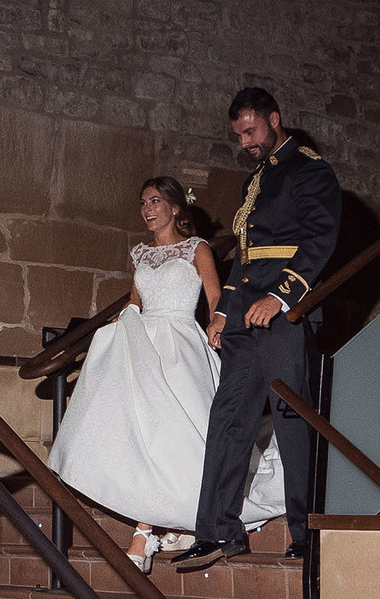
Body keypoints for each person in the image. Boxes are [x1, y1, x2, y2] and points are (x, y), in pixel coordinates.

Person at [46, 176, 285, 567]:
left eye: (155, 201)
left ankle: (145, 534)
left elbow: (215, 300)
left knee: (178, 436)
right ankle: (162, 526)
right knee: (147, 438)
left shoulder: (198, 249)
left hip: (181, 347)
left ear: (175, 208)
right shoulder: (139, 254)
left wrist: (217, 328)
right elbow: (135, 304)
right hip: (143, 346)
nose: (147, 209)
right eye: (143, 202)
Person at [173, 87, 338, 571]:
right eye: (239, 135)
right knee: (228, 420)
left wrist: (283, 296)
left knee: (291, 421)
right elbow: (245, 261)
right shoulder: (256, 182)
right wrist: (223, 309)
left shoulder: (310, 170)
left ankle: (306, 532)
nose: (245, 141)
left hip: (284, 314)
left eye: (252, 130)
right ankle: (217, 532)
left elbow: (319, 242)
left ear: (274, 119)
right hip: (245, 316)